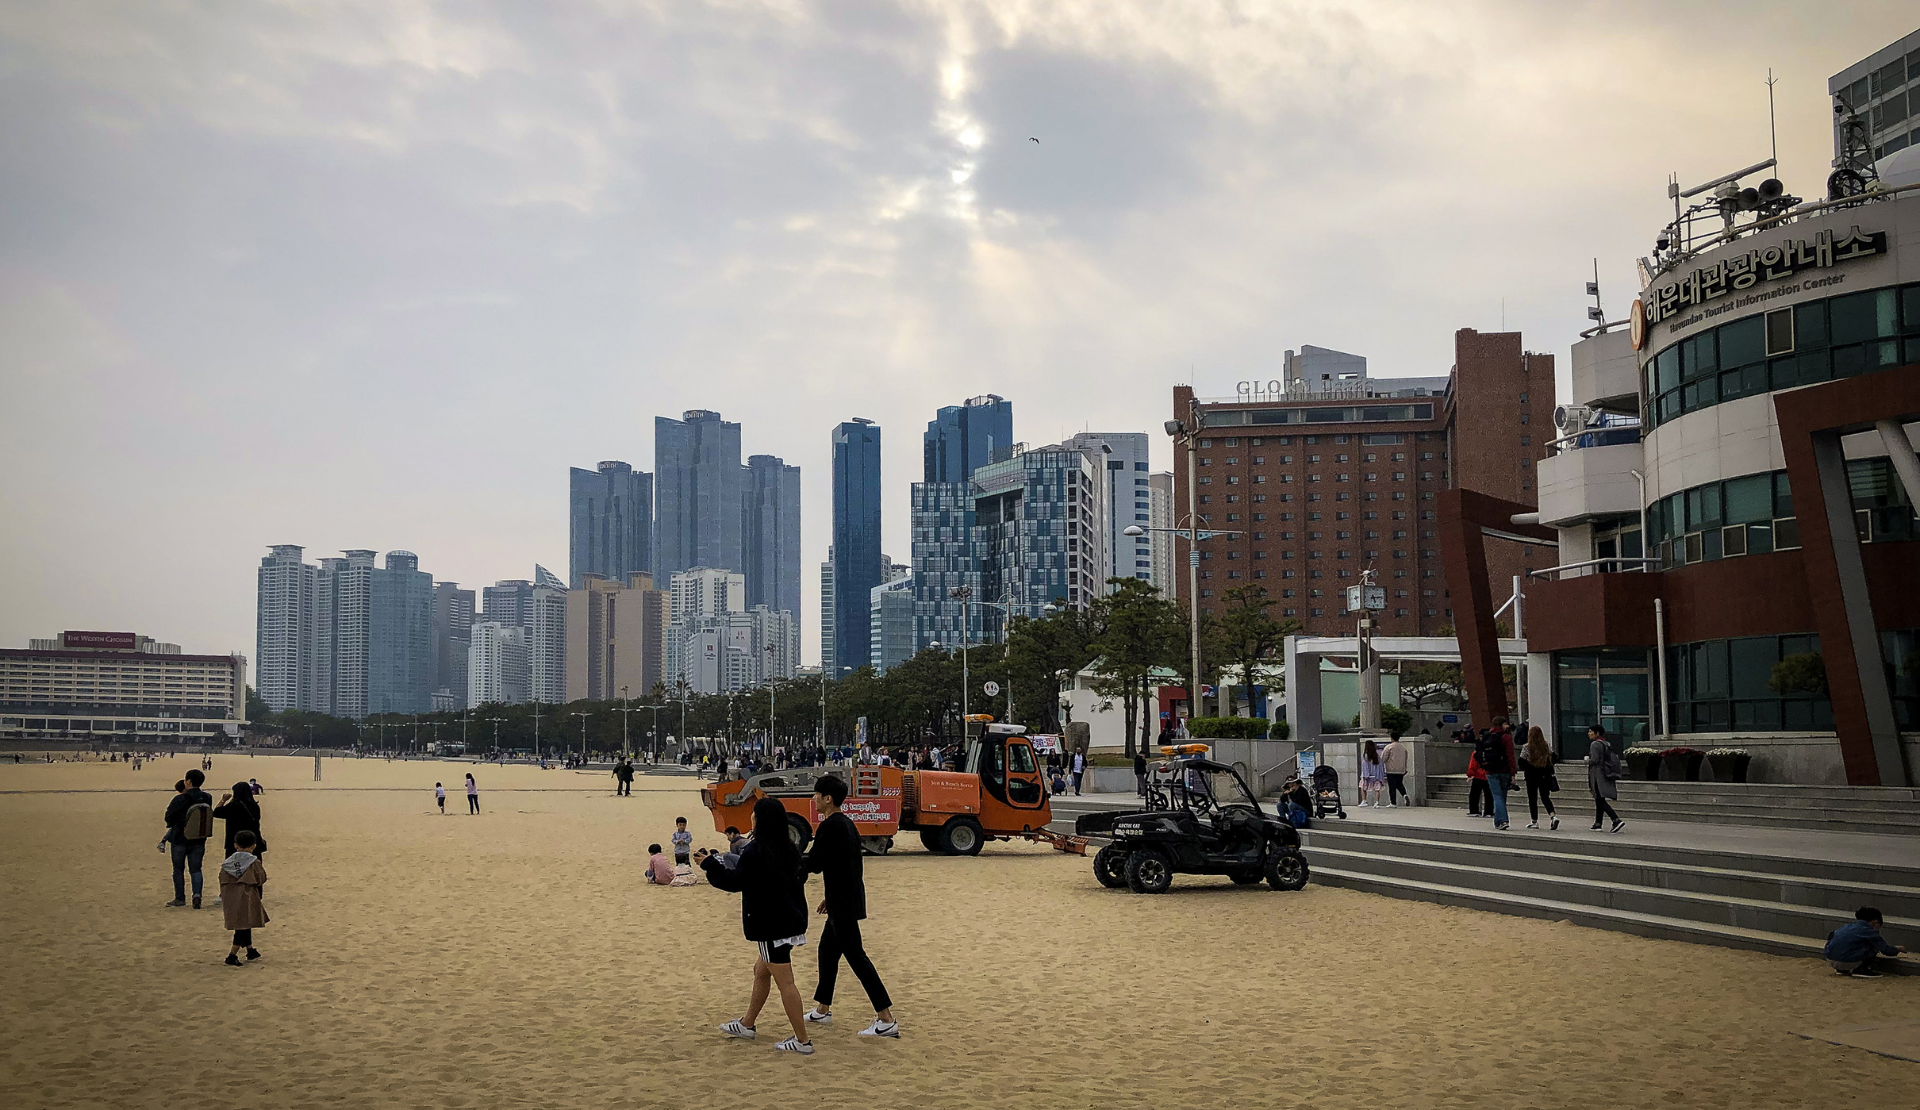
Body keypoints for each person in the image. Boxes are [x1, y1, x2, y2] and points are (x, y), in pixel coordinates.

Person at [698, 797, 814, 1055]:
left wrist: (708, 864)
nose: (751, 818)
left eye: (753, 814)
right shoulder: (789, 847)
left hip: (771, 926)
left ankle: (803, 1041)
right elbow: (801, 876)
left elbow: (734, 882)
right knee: (761, 970)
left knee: (786, 982)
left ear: (760, 820)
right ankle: (747, 1024)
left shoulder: (757, 850)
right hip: (792, 922)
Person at [802, 775, 898, 1039]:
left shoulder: (832, 826)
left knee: (857, 958)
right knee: (826, 951)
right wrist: (829, 897)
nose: (814, 799)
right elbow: (846, 867)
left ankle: (886, 1018)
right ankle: (823, 1008)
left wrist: (785, 864)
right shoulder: (846, 824)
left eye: (816, 795)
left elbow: (815, 864)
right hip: (843, 899)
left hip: (843, 904)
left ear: (827, 799)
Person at [164, 768, 214, 908]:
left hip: (179, 838)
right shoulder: (207, 797)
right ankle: (197, 895)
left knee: (178, 869)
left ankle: (180, 898)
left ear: (189, 782)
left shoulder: (180, 798)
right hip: (198, 838)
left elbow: (168, 817)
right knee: (196, 869)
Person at [220, 829, 268, 966]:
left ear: (236, 845)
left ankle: (250, 949)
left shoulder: (227, 863)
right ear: (254, 845)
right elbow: (261, 878)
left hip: (230, 896)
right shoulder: (254, 862)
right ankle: (232, 955)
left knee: (243, 922)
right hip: (247, 896)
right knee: (243, 925)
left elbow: (222, 878)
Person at [1824, 907, 1907, 978]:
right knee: (1874, 946)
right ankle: (1861, 969)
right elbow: (1885, 950)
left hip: (1830, 959)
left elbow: (1831, 937)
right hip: (1848, 961)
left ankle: (1841, 970)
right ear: (1875, 922)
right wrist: (1897, 949)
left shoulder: (1846, 927)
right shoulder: (1870, 931)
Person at [1585, 724, 1626, 833]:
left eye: (1590, 732)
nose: (1589, 734)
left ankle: (1615, 819)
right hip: (1606, 773)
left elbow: (1594, 760)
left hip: (1598, 775)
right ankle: (1598, 823)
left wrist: (1586, 760)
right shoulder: (1606, 743)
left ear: (1597, 733)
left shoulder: (1595, 744)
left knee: (1599, 799)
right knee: (1600, 799)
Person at [1519, 725, 1560, 831]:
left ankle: (1534, 821)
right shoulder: (1546, 745)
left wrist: (1530, 766)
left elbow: (1521, 762)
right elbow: (1555, 757)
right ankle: (1553, 816)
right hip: (1545, 775)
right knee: (1545, 797)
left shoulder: (1527, 747)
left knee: (1532, 799)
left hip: (1531, 776)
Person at [1478, 719, 1516, 830]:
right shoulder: (1506, 737)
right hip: (1504, 770)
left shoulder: (1488, 736)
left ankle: (1498, 821)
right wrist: (1512, 773)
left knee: (1497, 795)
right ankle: (1503, 820)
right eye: (1505, 723)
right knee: (1501, 796)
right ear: (1502, 724)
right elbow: (1510, 756)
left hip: (1490, 770)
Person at [213, 780, 265, 859]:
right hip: (252, 839)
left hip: (235, 840)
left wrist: (223, 800)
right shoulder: (254, 806)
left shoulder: (233, 806)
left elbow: (216, 813)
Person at [1358, 740, 1387, 807]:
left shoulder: (1366, 755)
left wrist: (1366, 775)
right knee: (1377, 789)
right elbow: (1380, 765)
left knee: (1363, 787)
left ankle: (1364, 801)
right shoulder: (1377, 755)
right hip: (1376, 775)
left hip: (1367, 774)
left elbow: (1365, 766)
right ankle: (1376, 802)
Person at [1466, 749, 1491, 819]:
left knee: (1474, 795)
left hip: (1478, 775)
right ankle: (1489, 812)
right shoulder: (1491, 752)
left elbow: (1472, 764)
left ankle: (1474, 811)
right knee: (1489, 795)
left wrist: (1470, 775)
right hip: (1489, 775)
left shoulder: (1476, 753)